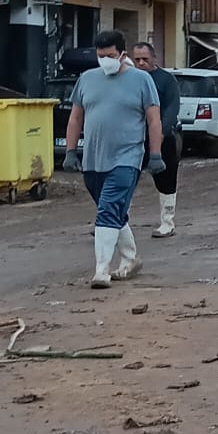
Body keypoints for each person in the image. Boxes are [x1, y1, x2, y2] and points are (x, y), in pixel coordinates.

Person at [63, 30, 162, 288]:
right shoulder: (86, 79)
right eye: (100, 56)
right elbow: (75, 117)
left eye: (109, 55)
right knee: (113, 210)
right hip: (93, 160)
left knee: (107, 210)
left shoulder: (142, 81)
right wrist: (71, 151)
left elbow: (153, 119)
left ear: (122, 55)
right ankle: (130, 258)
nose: (104, 60)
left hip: (127, 157)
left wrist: (155, 154)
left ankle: (101, 270)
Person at [129, 42, 181, 238]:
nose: (141, 63)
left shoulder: (166, 80)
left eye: (145, 59)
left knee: (166, 179)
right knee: (125, 178)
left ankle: (167, 222)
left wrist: (161, 131)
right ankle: (114, 221)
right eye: (137, 59)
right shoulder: (129, 79)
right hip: (133, 138)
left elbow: (172, 108)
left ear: (154, 58)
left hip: (162, 137)